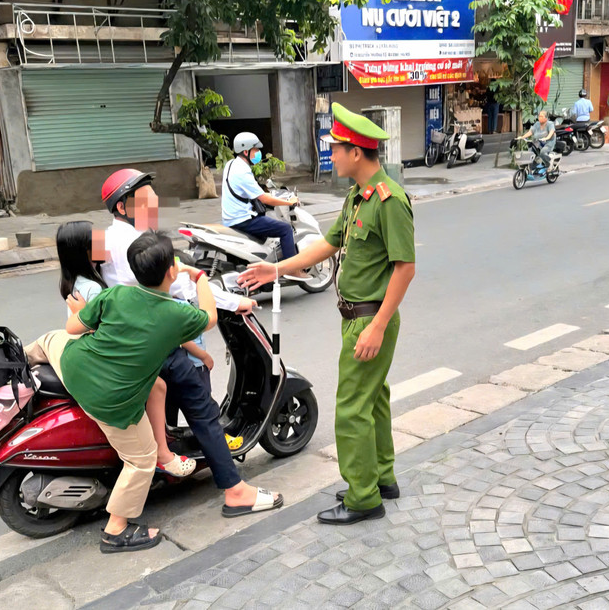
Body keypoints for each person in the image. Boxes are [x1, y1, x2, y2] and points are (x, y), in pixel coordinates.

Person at [239, 103, 416, 525]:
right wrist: (276, 269)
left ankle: (362, 498)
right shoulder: (359, 195)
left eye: (335, 148)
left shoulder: (390, 201)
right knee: (374, 400)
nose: (330, 155)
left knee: (352, 407)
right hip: (356, 317)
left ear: (356, 153)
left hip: (370, 319)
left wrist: (375, 325)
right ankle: (380, 479)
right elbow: (329, 243)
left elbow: (405, 268)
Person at [98, 169, 280, 516]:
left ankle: (166, 466)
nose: (153, 206)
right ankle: (235, 491)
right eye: (146, 201)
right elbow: (181, 288)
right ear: (123, 206)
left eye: (154, 199)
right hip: (160, 343)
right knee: (204, 414)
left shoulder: (109, 238)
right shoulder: (136, 245)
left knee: (169, 403)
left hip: (128, 342)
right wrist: (232, 300)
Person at [25, 231, 218, 552]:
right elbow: (210, 317)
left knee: (49, 340)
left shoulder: (113, 294)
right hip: (110, 399)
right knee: (141, 460)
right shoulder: (176, 314)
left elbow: (73, 329)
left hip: (73, 363)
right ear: (172, 270)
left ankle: (16, 361)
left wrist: (82, 310)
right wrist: (198, 276)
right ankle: (116, 530)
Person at [55, 220, 195, 477]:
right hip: (102, 362)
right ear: (86, 251)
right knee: (158, 386)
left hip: (82, 353)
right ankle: (162, 455)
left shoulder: (76, 281)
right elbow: (102, 329)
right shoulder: (95, 288)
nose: (105, 245)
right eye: (98, 241)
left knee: (158, 386)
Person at [221, 132, 306, 275]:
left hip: (230, 218)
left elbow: (251, 192)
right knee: (285, 229)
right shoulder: (242, 172)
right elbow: (264, 199)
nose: (259, 153)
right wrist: (288, 201)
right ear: (246, 151)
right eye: (256, 150)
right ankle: (292, 269)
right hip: (243, 220)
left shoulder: (231, 164)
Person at [521, 110, 556, 177]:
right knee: (530, 152)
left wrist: (546, 138)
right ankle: (533, 168)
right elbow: (530, 132)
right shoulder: (537, 124)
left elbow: (551, 132)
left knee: (542, 152)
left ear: (546, 118)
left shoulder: (550, 124)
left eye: (541, 116)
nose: (539, 118)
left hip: (548, 143)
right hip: (538, 143)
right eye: (539, 116)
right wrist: (522, 137)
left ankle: (549, 163)